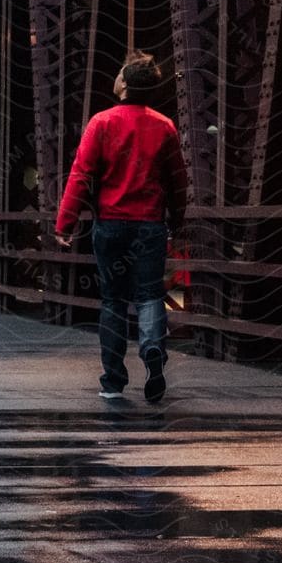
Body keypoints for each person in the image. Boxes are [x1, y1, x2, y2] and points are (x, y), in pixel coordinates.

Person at [55, 51, 189, 402]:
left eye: (118, 74)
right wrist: (178, 219)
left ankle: (113, 380)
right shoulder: (165, 127)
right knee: (149, 296)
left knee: (113, 300)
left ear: (125, 84)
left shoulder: (102, 123)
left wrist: (65, 223)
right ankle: (152, 350)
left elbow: (81, 175)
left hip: (111, 225)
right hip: (150, 226)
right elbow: (178, 181)